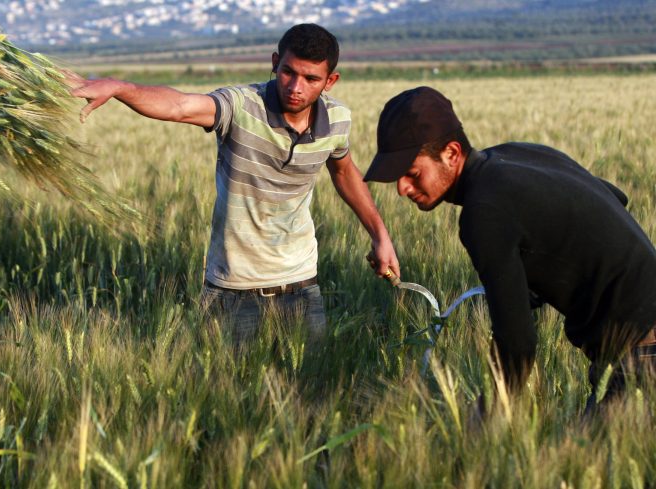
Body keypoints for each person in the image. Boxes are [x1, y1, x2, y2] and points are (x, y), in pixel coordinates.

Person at [68, 24, 399, 345]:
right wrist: (120, 88)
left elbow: (343, 172)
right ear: (275, 62)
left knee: (307, 388)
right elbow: (180, 106)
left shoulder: (338, 120)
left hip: (301, 283)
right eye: (288, 72)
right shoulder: (241, 106)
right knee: (224, 387)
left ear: (331, 81)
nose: (295, 86)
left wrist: (380, 235)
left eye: (311, 78)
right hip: (231, 289)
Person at [363, 86, 656, 408]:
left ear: (451, 153)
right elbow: (614, 196)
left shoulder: (483, 213)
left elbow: (517, 343)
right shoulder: (518, 154)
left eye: (412, 174)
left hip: (641, 350)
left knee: (591, 451)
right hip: (641, 338)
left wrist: (490, 413)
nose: (403, 189)